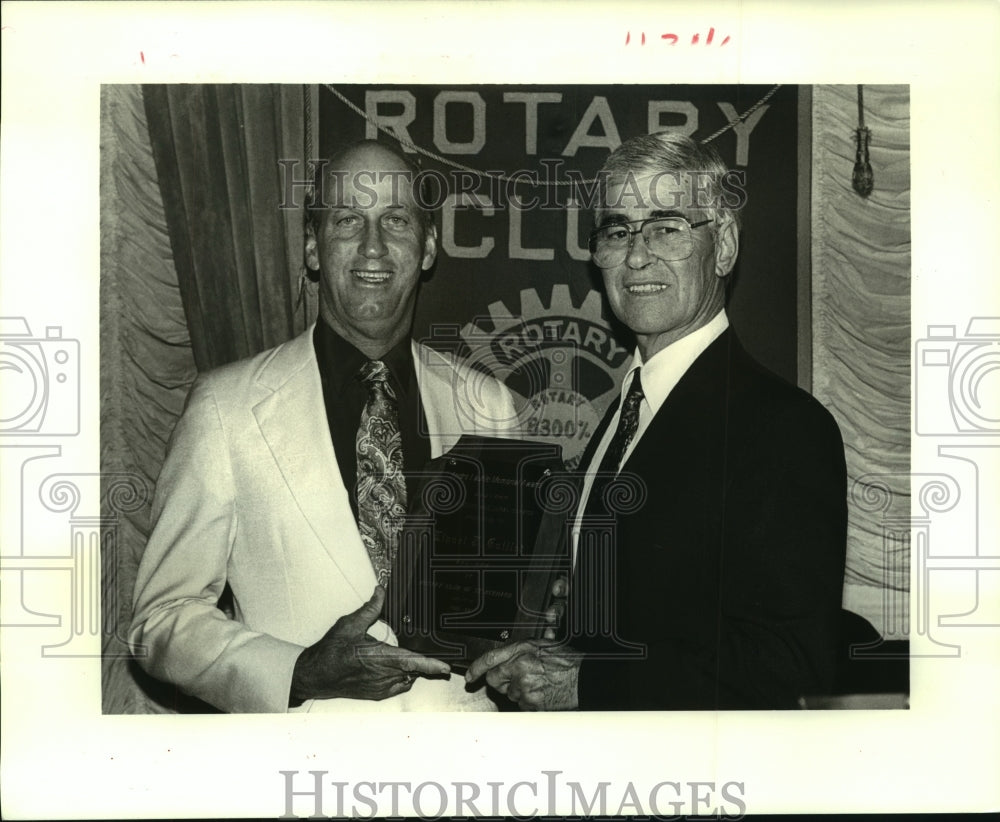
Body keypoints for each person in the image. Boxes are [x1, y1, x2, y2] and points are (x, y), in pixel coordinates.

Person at [129, 140, 516, 713]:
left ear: (429, 246)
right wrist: (300, 672)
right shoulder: (224, 407)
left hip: (463, 780)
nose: (373, 247)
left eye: (397, 220)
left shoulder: (490, 404)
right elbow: (160, 620)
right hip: (303, 782)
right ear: (312, 246)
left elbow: (508, 607)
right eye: (346, 221)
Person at [467, 132, 848, 710]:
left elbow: (793, 659)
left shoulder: (786, 430)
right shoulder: (625, 413)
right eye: (618, 231)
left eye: (666, 228)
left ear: (721, 247)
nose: (637, 255)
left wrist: (585, 684)